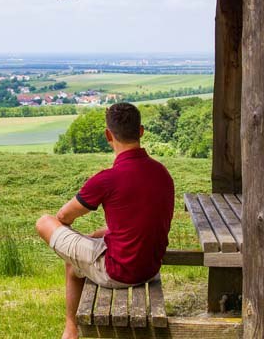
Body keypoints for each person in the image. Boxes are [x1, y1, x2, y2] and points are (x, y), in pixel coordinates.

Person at [35, 102, 175, 339]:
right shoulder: (162, 172)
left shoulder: (106, 179)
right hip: (150, 267)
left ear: (108, 135)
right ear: (141, 131)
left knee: (44, 222)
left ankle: (71, 329)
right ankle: (71, 328)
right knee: (92, 240)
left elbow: (62, 217)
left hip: (119, 272)